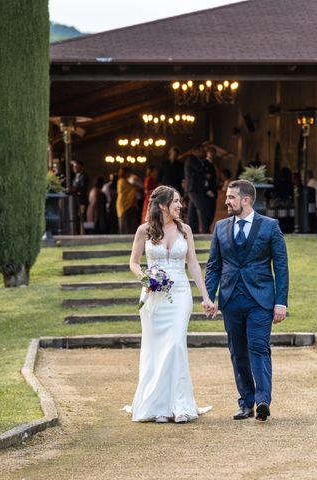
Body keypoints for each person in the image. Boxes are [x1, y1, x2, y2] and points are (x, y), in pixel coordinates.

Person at [128, 185, 215, 423]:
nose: (180, 205)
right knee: (155, 348)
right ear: (163, 205)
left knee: (176, 344)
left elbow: (194, 265)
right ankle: (159, 407)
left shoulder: (185, 230)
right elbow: (134, 263)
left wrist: (206, 297)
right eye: (176, 201)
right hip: (153, 296)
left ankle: (180, 405)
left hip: (179, 293)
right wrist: (147, 278)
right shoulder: (144, 231)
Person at [205, 179, 289, 422]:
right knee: (238, 352)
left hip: (260, 300)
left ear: (246, 200)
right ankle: (246, 402)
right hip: (231, 300)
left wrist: (280, 302)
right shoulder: (220, 227)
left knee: (259, 348)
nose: (226, 201)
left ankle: (263, 400)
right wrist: (210, 297)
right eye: (227, 197)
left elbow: (281, 267)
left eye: (231, 197)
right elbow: (214, 266)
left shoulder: (270, 226)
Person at [184, 144, 209, 233]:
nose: (203, 152)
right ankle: (205, 231)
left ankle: (190, 231)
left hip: (194, 188)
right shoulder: (191, 159)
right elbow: (200, 169)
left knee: (192, 211)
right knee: (202, 209)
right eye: (201, 150)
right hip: (193, 188)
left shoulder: (195, 160)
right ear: (195, 151)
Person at [116, 167, 139, 234]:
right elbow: (133, 189)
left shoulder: (123, 181)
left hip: (126, 205)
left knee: (126, 225)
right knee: (125, 225)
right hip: (125, 205)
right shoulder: (122, 181)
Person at [70, 159, 90, 234]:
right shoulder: (76, 176)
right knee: (77, 217)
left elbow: (83, 188)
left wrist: (74, 190)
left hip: (81, 200)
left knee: (82, 216)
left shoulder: (84, 176)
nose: (74, 168)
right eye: (74, 166)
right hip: (76, 200)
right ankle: (78, 232)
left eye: (76, 166)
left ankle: (83, 233)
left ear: (81, 166)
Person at [203, 146, 219, 232]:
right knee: (208, 212)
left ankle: (207, 229)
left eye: (214, 152)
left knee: (212, 212)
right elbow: (205, 178)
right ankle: (206, 230)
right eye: (211, 152)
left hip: (214, 191)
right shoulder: (204, 163)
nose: (212, 154)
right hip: (208, 192)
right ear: (207, 153)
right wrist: (208, 190)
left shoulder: (213, 164)